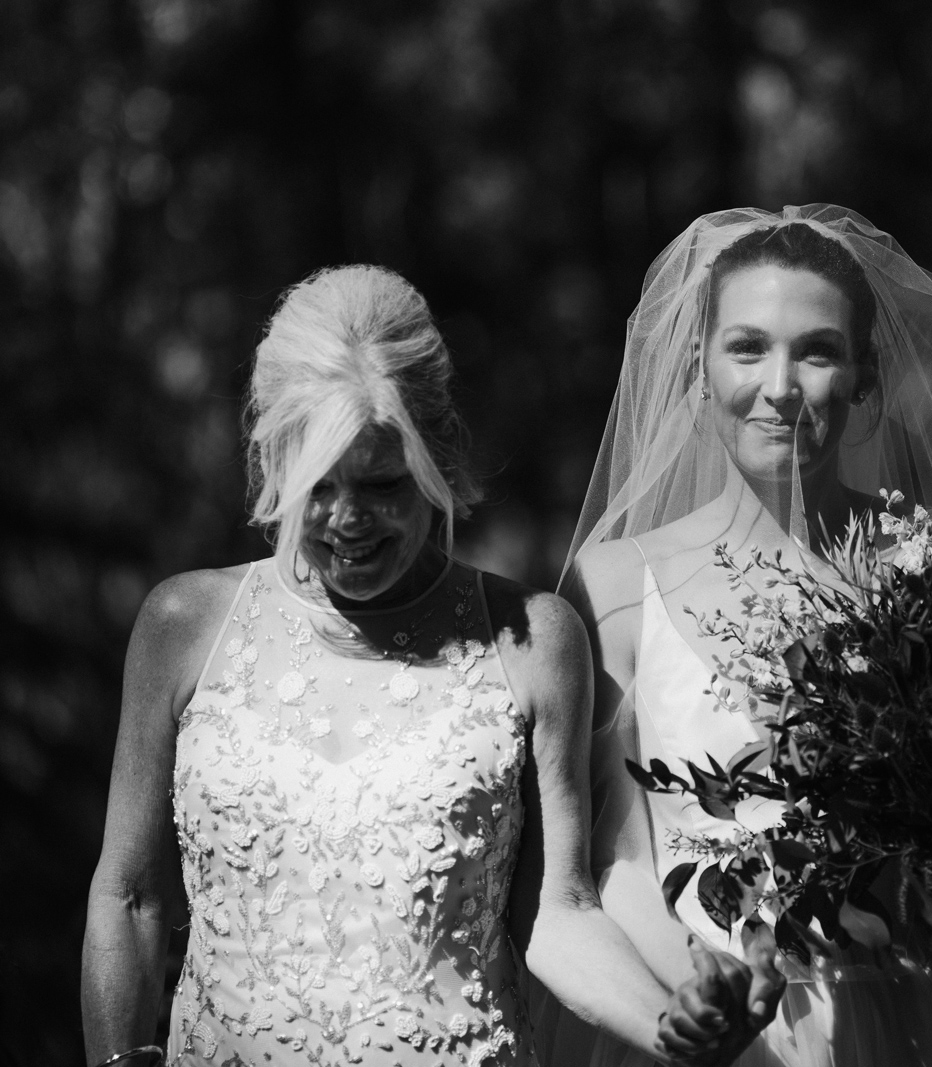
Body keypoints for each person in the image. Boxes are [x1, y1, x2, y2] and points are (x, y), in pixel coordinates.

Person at [80, 265, 782, 1067]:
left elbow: (560, 914)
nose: (347, 520)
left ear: (437, 457)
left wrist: (671, 1024)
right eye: (318, 486)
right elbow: (129, 897)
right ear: (275, 461)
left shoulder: (535, 642)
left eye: (381, 483)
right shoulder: (183, 626)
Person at [554, 205, 932, 1066]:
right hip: (728, 1020)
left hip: (923, 1009)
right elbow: (617, 860)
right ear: (699, 367)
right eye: (747, 347)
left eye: (816, 350)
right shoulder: (615, 585)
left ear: (864, 375)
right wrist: (700, 994)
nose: (779, 385)